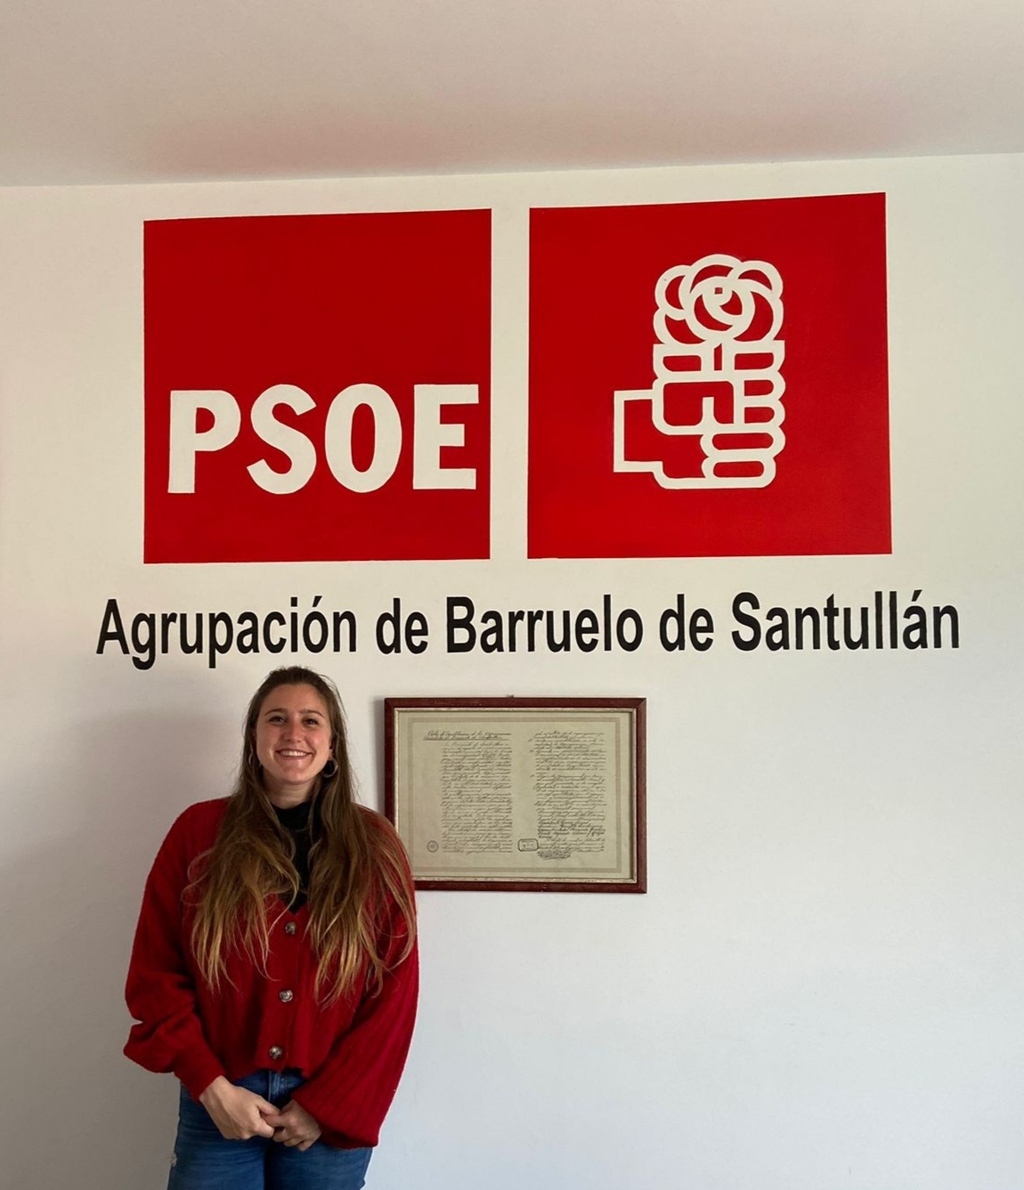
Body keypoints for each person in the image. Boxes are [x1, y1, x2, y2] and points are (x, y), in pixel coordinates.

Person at [125, 666, 418, 1190]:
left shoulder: (375, 845)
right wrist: (211, 1086)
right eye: (277, 718)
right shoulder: (198, 833)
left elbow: (394, 996)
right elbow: (156, 973)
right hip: (220, 1099)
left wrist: (328, 1106)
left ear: (332, 744)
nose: (293, 733)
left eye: (311, 720)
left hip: (328, 1111)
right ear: (254, 737)